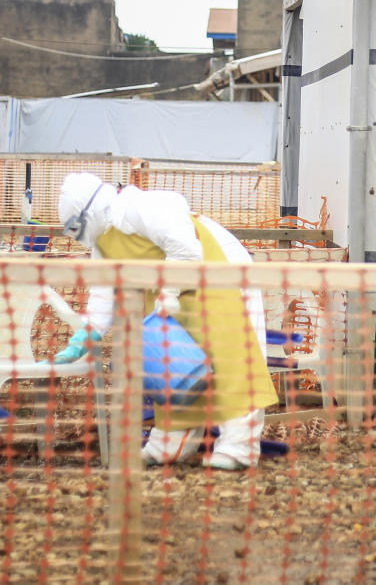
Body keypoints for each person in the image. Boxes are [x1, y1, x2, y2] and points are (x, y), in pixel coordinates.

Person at [55, 172, 278, 470]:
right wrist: (85, 336)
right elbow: (103, 293)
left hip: (218, 273)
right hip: (167, 294)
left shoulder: (140, 208)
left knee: (231, 358)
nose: (77, 235)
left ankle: (239, 446)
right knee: (171, 364)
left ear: (89, 211)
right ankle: (172, 443)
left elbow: (186, 249)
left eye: (75, 227)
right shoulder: (102, 241)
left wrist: (169, 294)